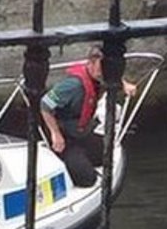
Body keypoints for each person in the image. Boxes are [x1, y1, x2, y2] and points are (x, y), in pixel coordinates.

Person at [39, 45, 137, 188]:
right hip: (64, 136)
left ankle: (83, 157)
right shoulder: (72, 86)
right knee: (87, 179)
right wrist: (55, 134)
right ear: (90, 64)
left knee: (108, 156)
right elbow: (45, 104)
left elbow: (110, 77)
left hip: (81, 132)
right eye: (100, 68)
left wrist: (125, 84)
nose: (103, 72)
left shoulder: (99, 76)